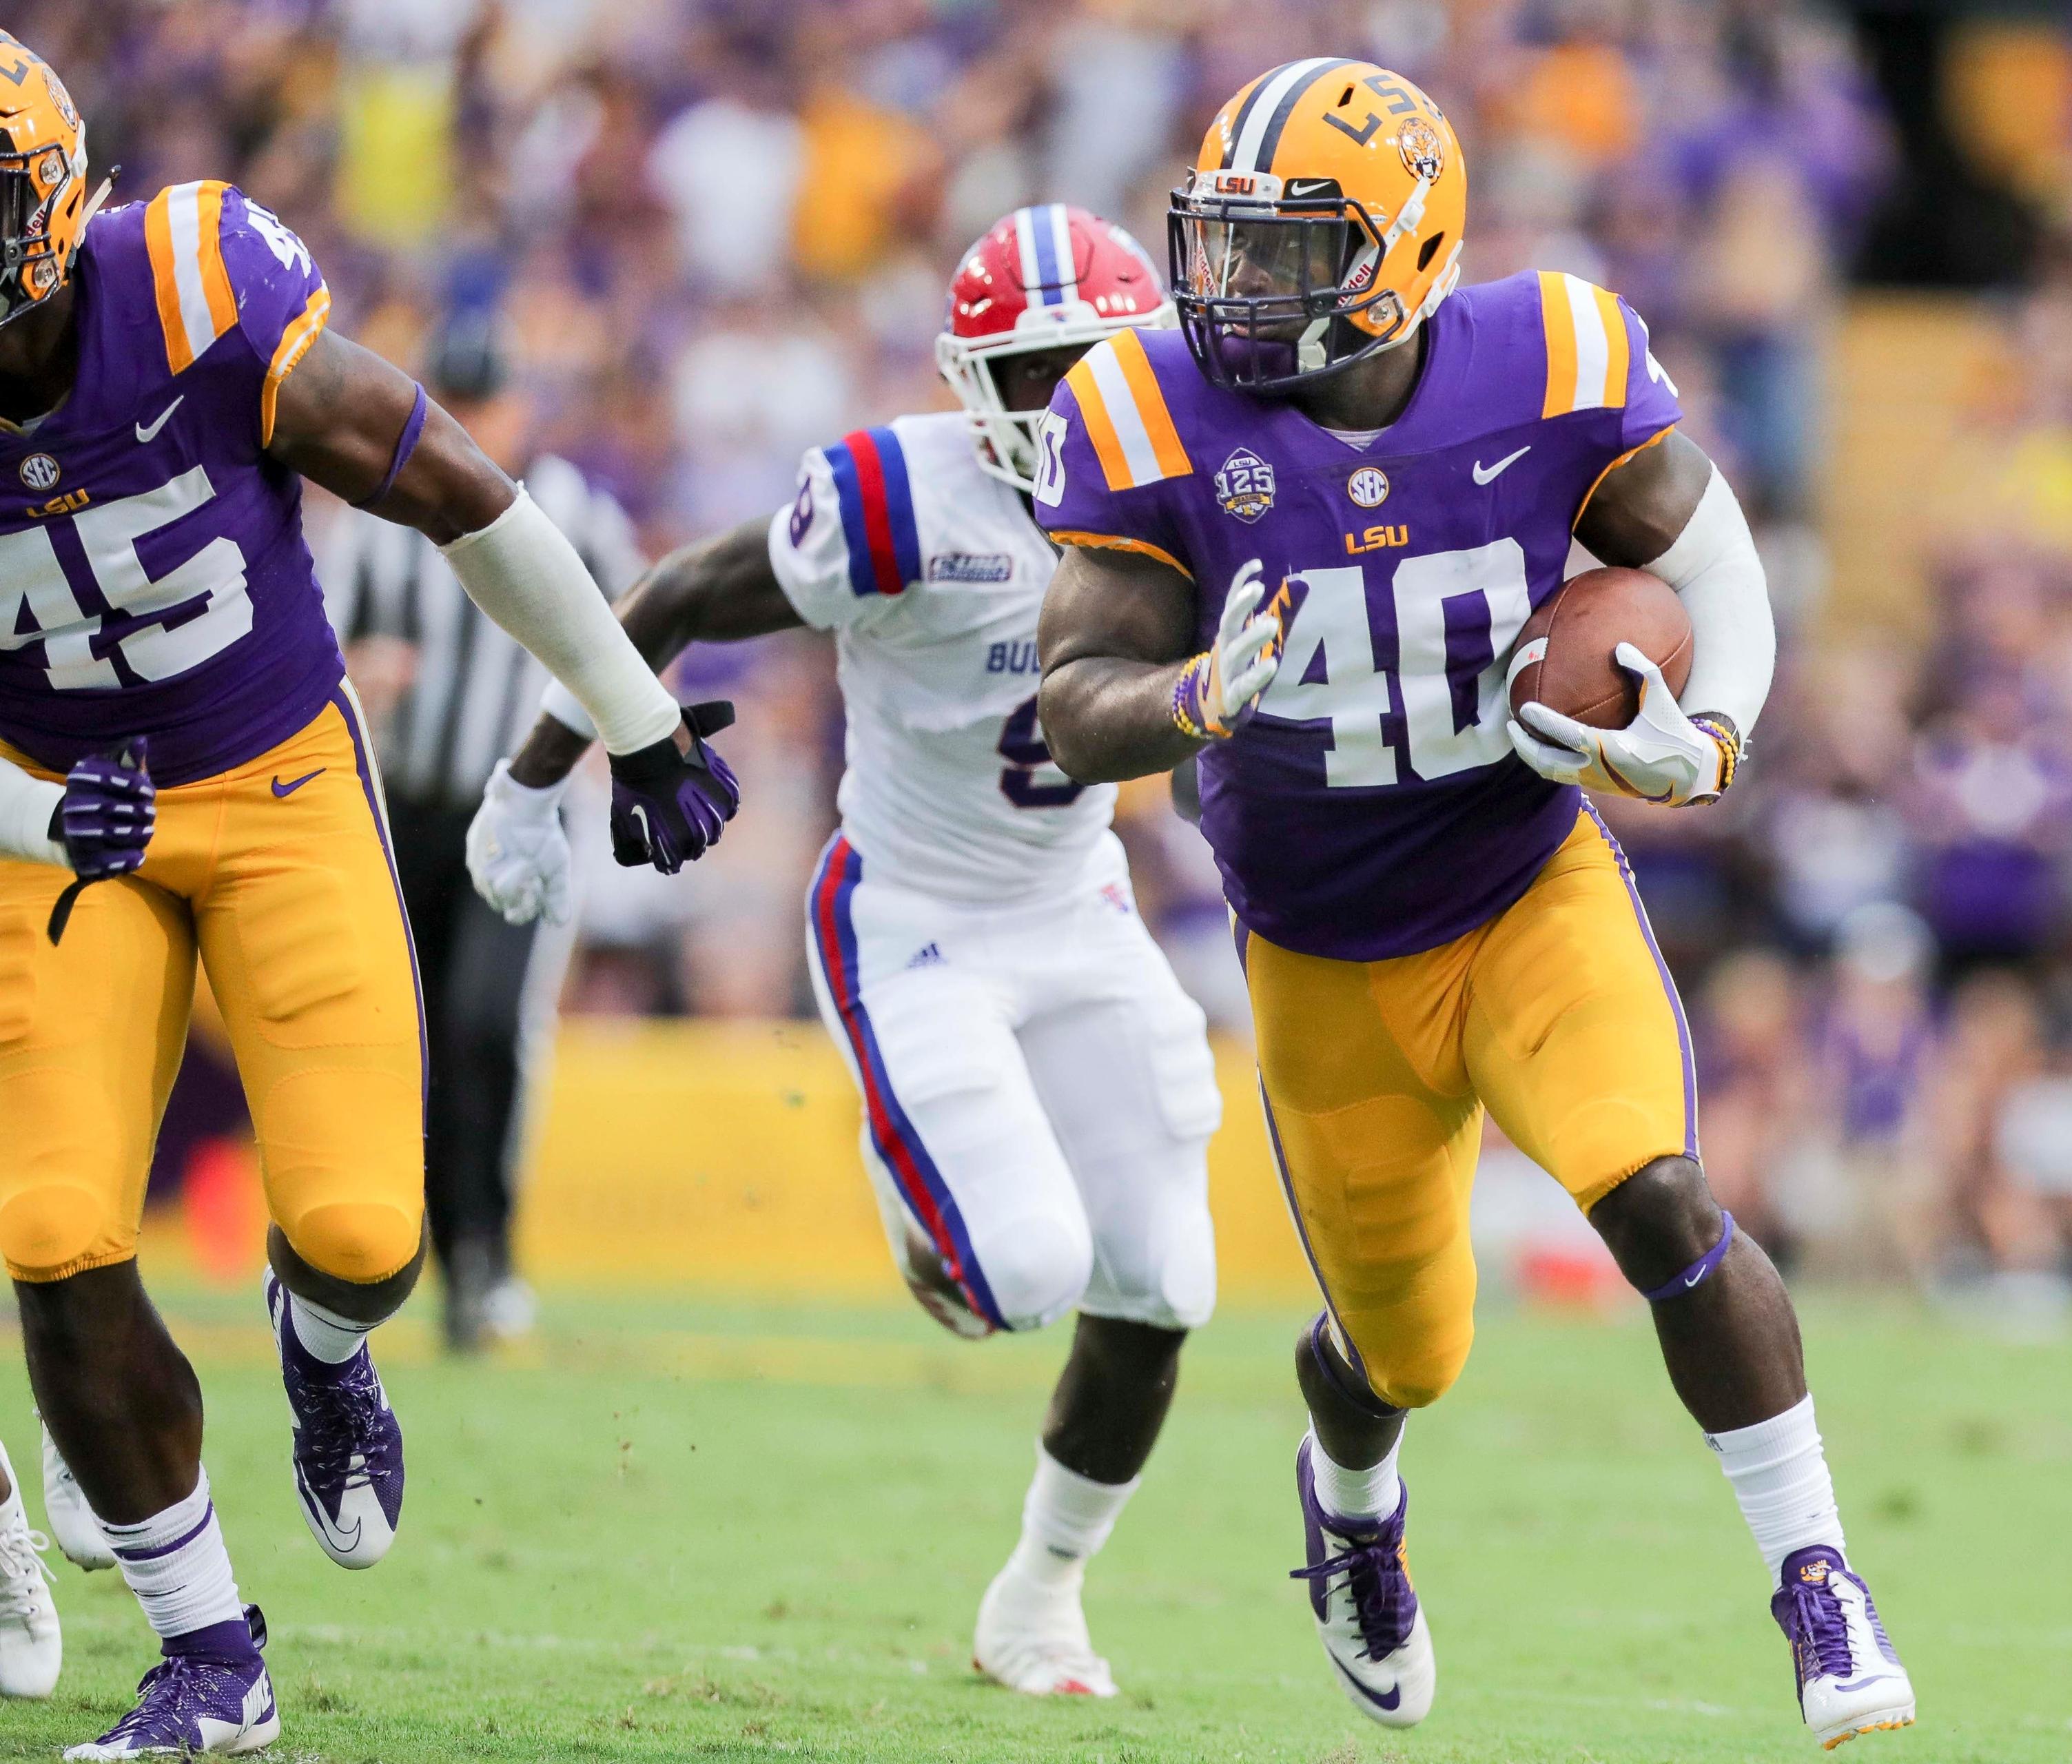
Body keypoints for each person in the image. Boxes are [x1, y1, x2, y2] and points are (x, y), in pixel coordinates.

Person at [1032, 60, 1915, 1747]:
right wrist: (1194, 695)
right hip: (1322, 954)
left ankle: (1818, 1578)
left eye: (1283, 255)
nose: (1230, 291)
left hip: (1521, 882)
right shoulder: (1151, 410)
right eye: (1220, 246)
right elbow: (1075, 698)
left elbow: (1717, 558)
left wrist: (1706, 736)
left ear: (1406, 256)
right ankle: (1353, 1503)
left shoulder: (1554, 357)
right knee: (1403, 1350)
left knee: (1654, 1191)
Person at [0, 35, 740, 1758]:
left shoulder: (188, 283)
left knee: (360, 1233)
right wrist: (41, 820)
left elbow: (458, 486)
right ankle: (208, 1652)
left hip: (275, 788)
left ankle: (319, 1344)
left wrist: (633, 722)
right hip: (59, 822)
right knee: (51, 1227)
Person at [465, 206, 1222, 1701]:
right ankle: (915, 1178)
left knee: (1164, 1283)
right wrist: (532, 774)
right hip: (916, 918)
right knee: (1026, 1268)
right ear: (967, 379)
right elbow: (678, 590)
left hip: (1077, 910)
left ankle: (1041, 1594)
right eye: (1039, 370)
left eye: (1097, 366)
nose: (1071, 402)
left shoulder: (1200, 492)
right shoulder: (896, 497)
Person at [320, 311, 645, 1351]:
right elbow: (316, 647)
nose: (476, 421)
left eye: (487, 400)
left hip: (525, 812)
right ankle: (431, 1251)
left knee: (486, 1023)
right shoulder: (382, 518)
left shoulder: (574, 512)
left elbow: (638, 617)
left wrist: (611, 725)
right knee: (406, 1039)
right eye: (458, 401)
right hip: (407, 808)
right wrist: (360, 673)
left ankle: (487, 1253)